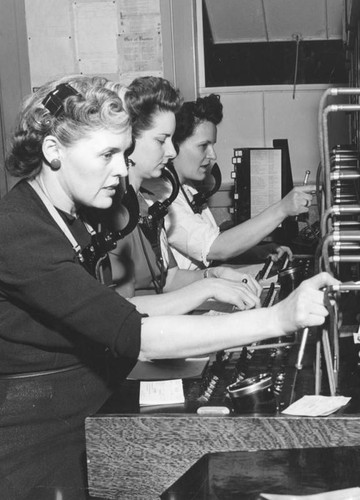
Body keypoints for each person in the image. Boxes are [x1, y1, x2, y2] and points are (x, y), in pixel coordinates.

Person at [0, 74, 337, 500]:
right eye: (106, 154)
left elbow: (119, 312)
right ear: (53, 152)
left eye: (123, 154)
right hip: (40, 453)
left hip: (90, 422)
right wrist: (279, 317)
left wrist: (215, 291)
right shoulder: (20, 231)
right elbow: (138, 336)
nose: (121, 170)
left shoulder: (67, 218)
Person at [109, 76, 262, 313]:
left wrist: (213, 275)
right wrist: (208, 288)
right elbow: (120, 310)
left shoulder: (144, 204)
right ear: (128, 141)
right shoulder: (116, 214)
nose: (171, 152)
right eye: (162, 141)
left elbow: (168, 279)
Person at [145, 94, 316, 271]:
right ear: (175, 145)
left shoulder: (185, 187)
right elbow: (216, 248)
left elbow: (212, 248)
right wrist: (282, 208)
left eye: (212, 145)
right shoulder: (160, 195)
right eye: (203, 146)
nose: (213, 155)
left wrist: (257, 252)